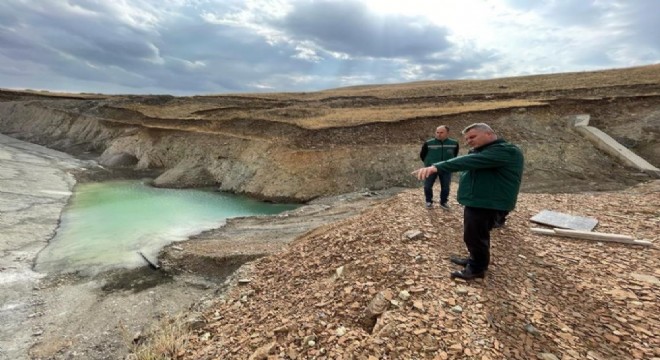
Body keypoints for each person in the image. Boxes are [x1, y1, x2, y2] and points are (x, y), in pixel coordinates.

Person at [412, 123, 524, 280]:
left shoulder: (505, 151)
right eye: (466, 139)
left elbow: (466, 162)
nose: (469, 141)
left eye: (472, 137)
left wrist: (435, 167)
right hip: (480, 200)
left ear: (489, 134)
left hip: (487, 201)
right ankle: (474, 260)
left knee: (475, 236)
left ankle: (477, 269)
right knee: (474, 234)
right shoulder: (485, 151)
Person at [419, 125, 459, 209]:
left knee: (445, 187)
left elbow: (455, 155)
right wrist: (429, 164)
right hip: (431, 168)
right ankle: (428, 201)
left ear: (447, 133)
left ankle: (443, 202)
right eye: (437, 132)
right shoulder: (428, 143)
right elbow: (422, 155)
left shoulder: (454, 143)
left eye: (441, 132)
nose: (439, 134)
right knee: (427, 186)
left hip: (446, 168)